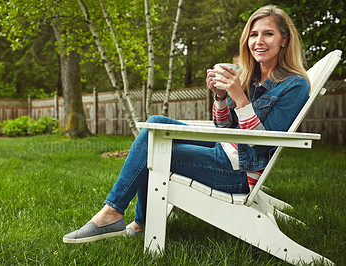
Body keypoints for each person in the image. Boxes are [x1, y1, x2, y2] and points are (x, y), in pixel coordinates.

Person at [63, 5, 310, 244]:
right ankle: (134, 221)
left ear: (284, 40)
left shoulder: (295, 85)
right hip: (224, 148)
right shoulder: (252, 77)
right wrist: (221, 97)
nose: (259, 41)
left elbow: (259, 144)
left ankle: (115, 214)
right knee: (155, 123)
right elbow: (223, 127)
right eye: (253, 34)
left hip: (240, 172)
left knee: (154, 149)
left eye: (268, 34)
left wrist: (240, 98)